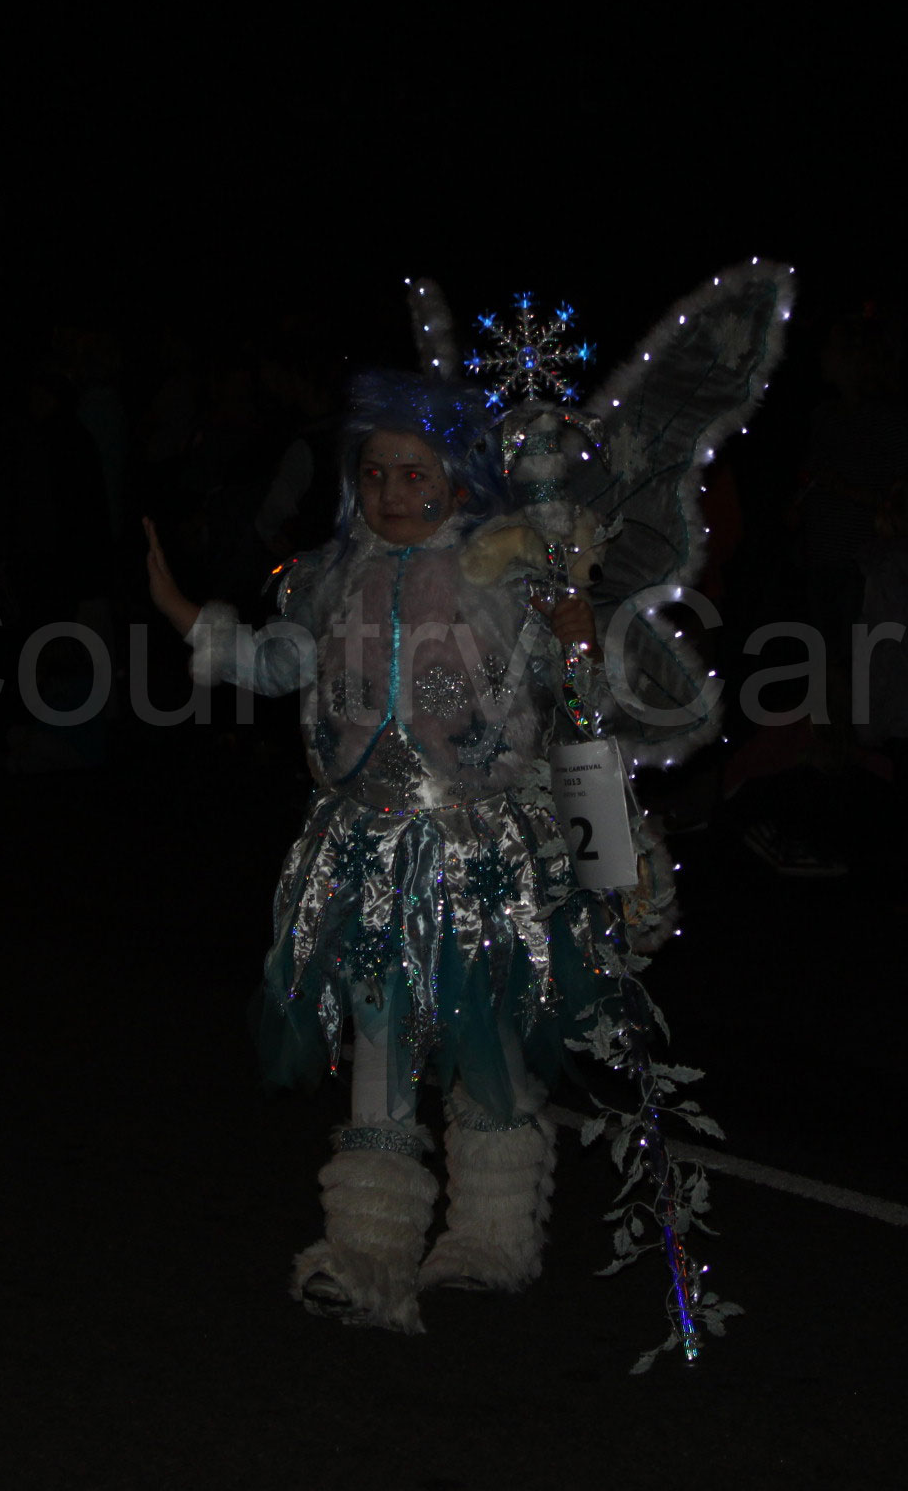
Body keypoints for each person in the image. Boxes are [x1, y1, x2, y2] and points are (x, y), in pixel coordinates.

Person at [144, 371, 617, 1334]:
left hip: (477, 847)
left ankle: (491, 1238)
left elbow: (575, 706)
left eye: (414, 473)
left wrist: (577, 643)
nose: (392, 493)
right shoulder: (333, 578)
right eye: (373, 474)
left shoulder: (503, 579)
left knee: (486, 1038)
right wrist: (186, 612)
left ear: (457, 479)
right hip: (364, 846)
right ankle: (367, 1250)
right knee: (380, 1034)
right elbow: (278, 662)